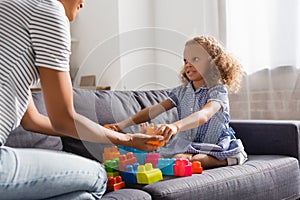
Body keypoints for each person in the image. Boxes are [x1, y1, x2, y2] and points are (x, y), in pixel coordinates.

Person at [0, 0, 163, 199]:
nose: (83, 3)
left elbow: (32, 120)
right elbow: (64, 118)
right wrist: (128, 139)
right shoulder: (49, 9)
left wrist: (101, 131)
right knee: (97, 176)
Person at [106, 36, 248, 169]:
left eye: (196, 59)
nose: (188, 65)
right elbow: (153, 111)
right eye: (185, 60)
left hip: (214, 141)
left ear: (214, 63)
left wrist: (175, 126)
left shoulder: (217, 91)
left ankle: (231, 157)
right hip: (190, 142)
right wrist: (120, 125)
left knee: (196, 159)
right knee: (179, 158)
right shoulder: (181, 92)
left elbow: (204, 114)